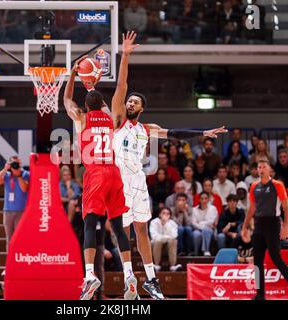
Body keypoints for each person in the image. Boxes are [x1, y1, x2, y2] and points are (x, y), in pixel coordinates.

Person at [109, 31, 226, 300]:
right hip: (120, 180)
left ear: (141, 108)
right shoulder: (118, 120)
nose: (129, 103)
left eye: (134, 102)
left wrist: (203, 132)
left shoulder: (148, 128)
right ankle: (129, 276)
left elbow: (175, 133)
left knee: (141, 229)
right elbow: (121, 86)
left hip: (138, 181)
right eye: (129, 101)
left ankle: (151, 280)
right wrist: (125, 56)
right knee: (123, 230)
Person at [63, 48, 137, 300]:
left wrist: (73, 76)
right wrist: (94, 85)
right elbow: (112, 95)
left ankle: (89, 276)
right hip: (114, 173)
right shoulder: (112, 118)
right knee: (117, 225)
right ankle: (129, 274)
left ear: (86, 106)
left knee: (90, 224)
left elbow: (66, 100)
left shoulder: (81, 118)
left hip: (95, 174)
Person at [241, 159, 288, 300]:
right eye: (258, 167)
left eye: (263, 167)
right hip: (259, 225)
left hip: (273, 224)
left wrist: (285, 226)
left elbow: (286, 207)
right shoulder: (254, 186)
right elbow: (252, 209)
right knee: (257, 261)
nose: (261, 169)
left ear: (270, 170)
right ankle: (260, 294)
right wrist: (244, 226)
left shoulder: (277, 185)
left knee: (275, 258)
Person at [0, 156, 29, 250]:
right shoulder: (7, 175)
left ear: (20, 164)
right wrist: (5, 169)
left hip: (21, 211)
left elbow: (25, 189)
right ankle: (10, 262)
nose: (15, 166)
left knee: (20, 238)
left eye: (16, 164)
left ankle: (20, 261)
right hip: (8, 210)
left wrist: (19, 175)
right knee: (9, 239)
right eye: (13, 164)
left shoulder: (25, 174)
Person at [191, 191, 218, 256]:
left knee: (206, 230)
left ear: (208, 199)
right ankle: (196, 253)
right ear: (199, 200)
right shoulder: (194, 209)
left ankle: (206, 250)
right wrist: (205, 225)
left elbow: (211, 221)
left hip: (210, 231)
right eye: (202, 199)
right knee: (196, 234)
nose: (204, 200)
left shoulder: (213, 208)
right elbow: (193, 223)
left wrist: (200, 223)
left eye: (206, 198)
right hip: (198, 230)